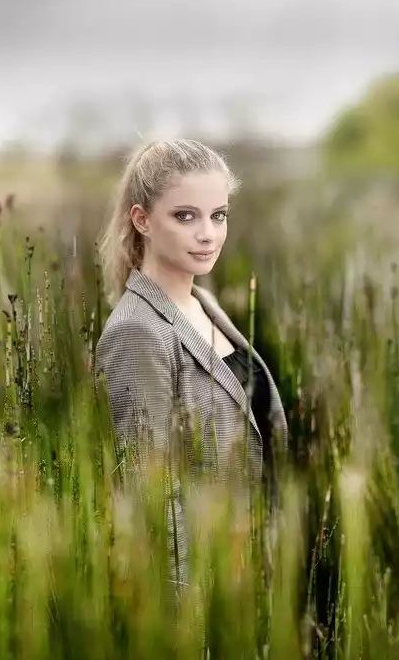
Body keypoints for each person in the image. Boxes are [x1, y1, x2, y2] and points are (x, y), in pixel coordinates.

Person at [94, 137, 287, 589]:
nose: (208, 233)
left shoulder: (203, 303)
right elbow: (152, 499)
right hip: (204, 587)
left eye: (218, 215)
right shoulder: (136, 332)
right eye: (185, 216)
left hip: (248, 571)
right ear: (141, 220)